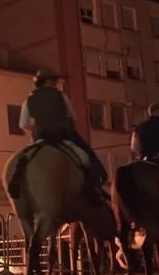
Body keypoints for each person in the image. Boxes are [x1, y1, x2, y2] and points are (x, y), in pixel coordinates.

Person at [11, 67, 109, 203]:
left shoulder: (28, 100)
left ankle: (16, 182)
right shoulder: (60, 95)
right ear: (48, 81)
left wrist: (37, 126)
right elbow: (72, 116)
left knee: (24, 157)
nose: (55, 83)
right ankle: (94, 185)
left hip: (41, 136)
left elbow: (23, 124)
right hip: (62, 135)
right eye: (54, 80)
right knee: (86, 155)